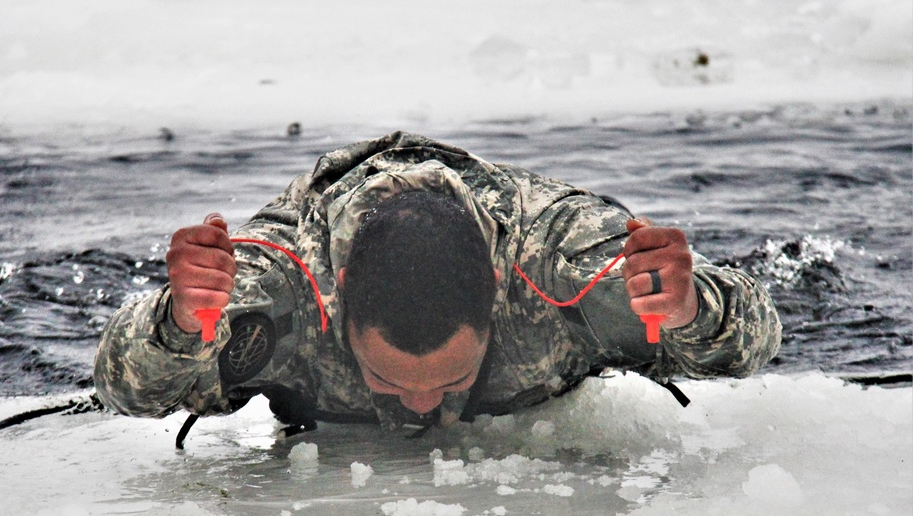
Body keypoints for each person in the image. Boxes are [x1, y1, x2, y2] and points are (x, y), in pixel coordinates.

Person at [94, 131, 781, 432]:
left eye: (451, 384)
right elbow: (123, 384)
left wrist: (693, 308)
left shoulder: (568, 273)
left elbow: (757, 334)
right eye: (390, 384)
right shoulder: (281, 292)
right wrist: (178, 324)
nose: (424, 411)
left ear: (497, 304)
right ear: (338, 313)